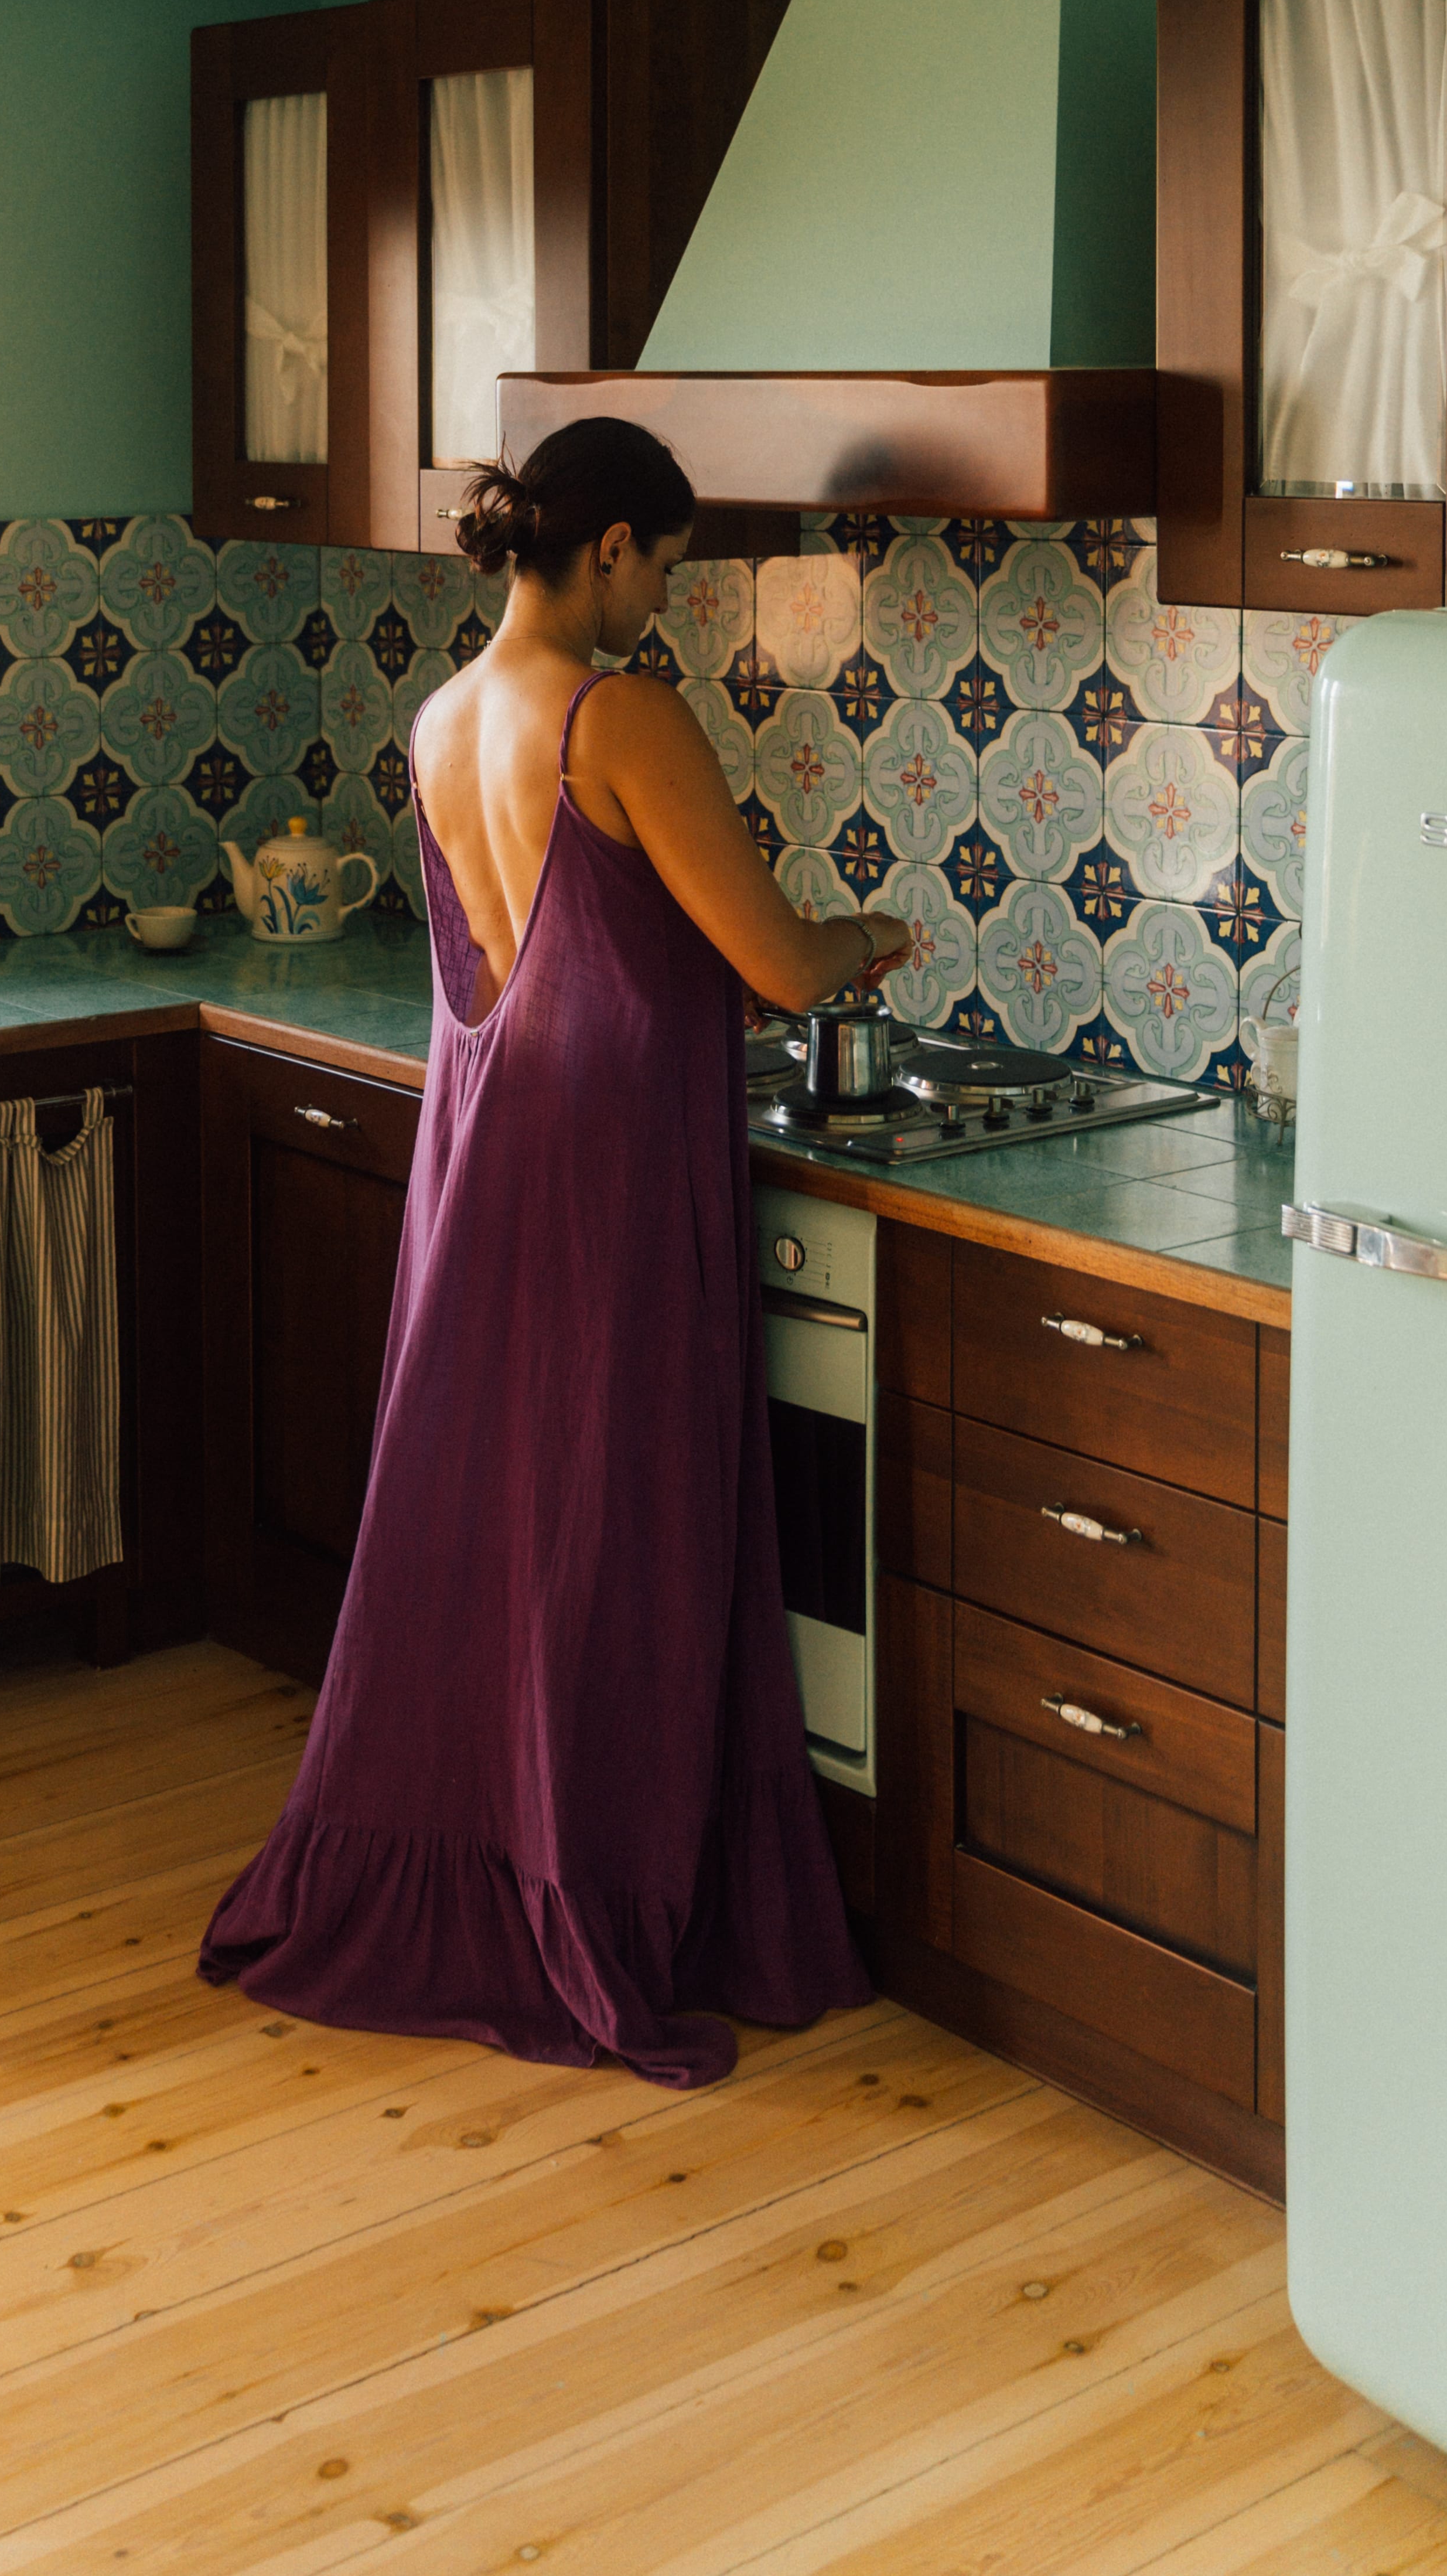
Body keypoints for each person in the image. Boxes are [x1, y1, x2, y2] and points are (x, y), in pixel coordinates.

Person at [199, 416, 913, 2088]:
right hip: (611, 1190)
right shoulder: (620, 715)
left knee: (511, 1555)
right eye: (664, 564)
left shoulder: (445, 717)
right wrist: (876, 933)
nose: (665, 599)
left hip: (493, 1173)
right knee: (627, 1555)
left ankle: (505, 1874)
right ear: (609, 551)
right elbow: (780, 967)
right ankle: (608, 1897)